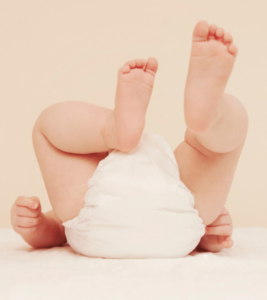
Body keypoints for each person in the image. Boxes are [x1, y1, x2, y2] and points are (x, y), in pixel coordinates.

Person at [10, 20, 248, 255]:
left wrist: (38, 228)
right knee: (219, 144)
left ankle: (110, 129)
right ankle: (210, 118)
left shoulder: (88, 191)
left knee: (47, 124)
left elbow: (58, 230)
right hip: (180, 227)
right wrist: (210, 231)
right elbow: (56, 229)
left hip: (94, 225)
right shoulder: (175, 182)